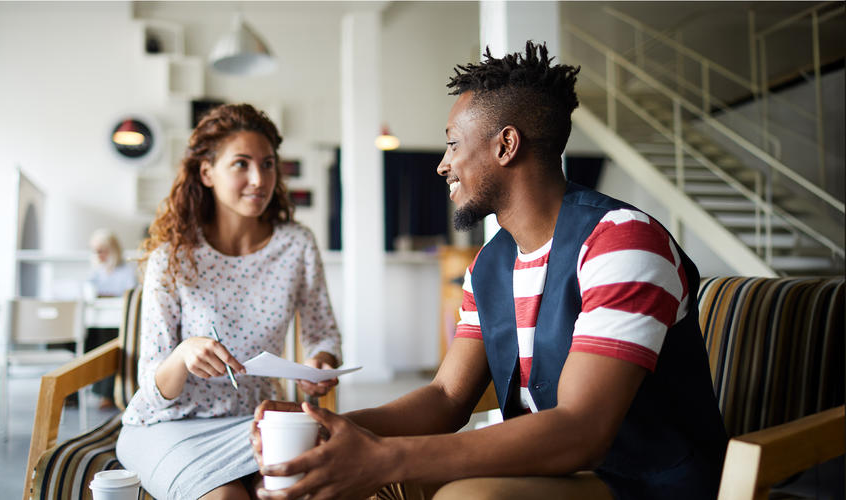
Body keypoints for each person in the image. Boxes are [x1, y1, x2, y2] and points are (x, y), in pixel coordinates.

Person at [250, 41, 727, 500]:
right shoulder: (491, 263)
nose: (442, 165)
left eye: (452, 144)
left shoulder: (621, 241)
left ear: (506, 146)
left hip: (645, 482)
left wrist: (386, 457)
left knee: (466, 495)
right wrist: (328, 429)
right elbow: (445, 397)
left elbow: (583, 430)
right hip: (557, 472)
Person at [116, 103, 342, 500]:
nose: (259, 179)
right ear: (207, 173)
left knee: (299, 493)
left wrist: (321, 363)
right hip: (167, 426)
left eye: (268, 164)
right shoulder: (170, 257)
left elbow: (323, 333)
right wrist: (183, 355)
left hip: (255, 422)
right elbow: (149, 389)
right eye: (241, 164)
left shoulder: (296, 244)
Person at [84, 228, 137, 409]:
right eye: (95, 251)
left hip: (117, 321)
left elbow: (130, 294)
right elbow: (88, 291)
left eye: (102, 250)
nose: (98, 255)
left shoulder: (126, 271)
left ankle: (107, 394)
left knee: (107, 342)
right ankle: (72, 393)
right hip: (96, 320)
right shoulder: (96, 272)